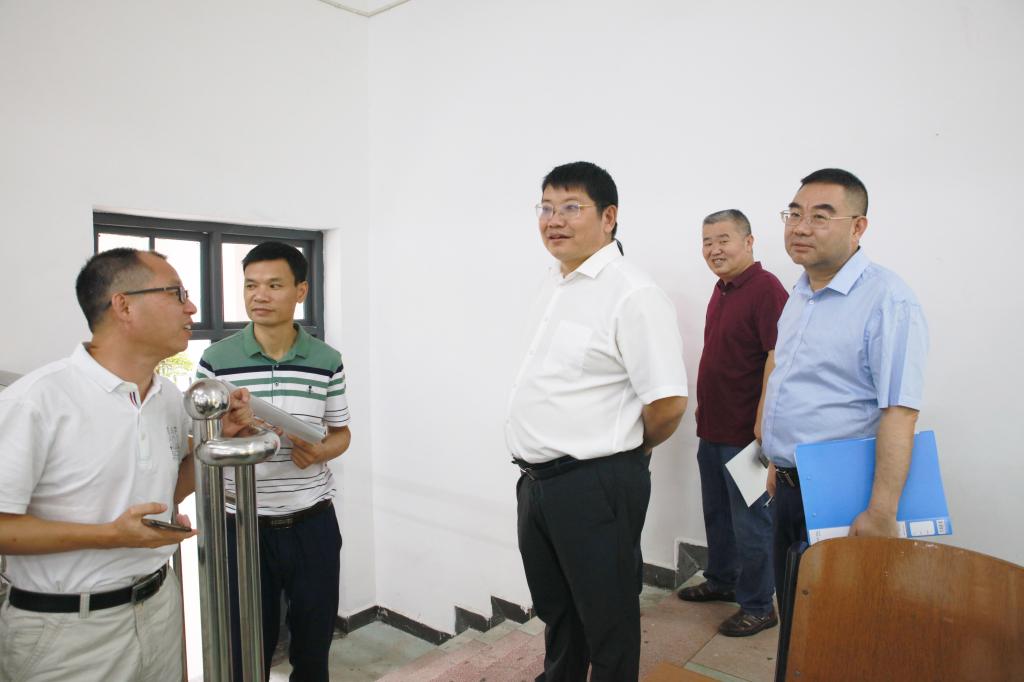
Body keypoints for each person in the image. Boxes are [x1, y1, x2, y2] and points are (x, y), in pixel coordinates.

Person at [0, 248, 251, 681]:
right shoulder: (37, 401)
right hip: (67, 632)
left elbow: (168, 489)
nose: (192, 307)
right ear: (123, 305)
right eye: (177, 293)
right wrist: (110, 536)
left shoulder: (167, 397)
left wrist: (218, 439)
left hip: (159, 607)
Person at [507, 161, 689, 681]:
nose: (554, 220)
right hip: (537, 482)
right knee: (559, 610)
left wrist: (624, 452)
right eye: (546, 207)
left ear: (608, 217)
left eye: (571, 207)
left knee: (608, 619)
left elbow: (668, 404)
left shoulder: (632, 292)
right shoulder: (555, 283)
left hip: (596, 482)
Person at [758, 168, 929, 615]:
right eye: (794, 214)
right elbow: (797, 383)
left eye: (820, 216)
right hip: (792, 485)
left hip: (844, 495)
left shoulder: (887, 300)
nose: (800, 227)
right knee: (795, 616)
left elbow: (900, 411)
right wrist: (780, 460)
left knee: (835, 624)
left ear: (858, 227)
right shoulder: (800, 294)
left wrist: (881, 511)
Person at [197, 241, 351, 682]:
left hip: (312, 522)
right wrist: (229, 434)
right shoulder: (216, 361)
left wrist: (321, 451)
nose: (259, 295)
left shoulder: (327, 360)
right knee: (246, 651)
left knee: (313, 648)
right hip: (241, 526)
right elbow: (200, 444)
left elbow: (341, 434)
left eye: (273, 285)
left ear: (300, 291)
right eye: (250, 285)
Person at [677, 210, 787, 637]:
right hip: (714, 427)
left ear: (749, 241)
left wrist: (763, 421)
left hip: (747, 434)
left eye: (723, 239)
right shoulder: (722, 289)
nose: (714, 249)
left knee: (752, 523)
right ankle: (722, 580)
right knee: (718, 514)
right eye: (707, 241)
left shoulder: (766, 289)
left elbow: (778, 358)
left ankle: (759, 606)